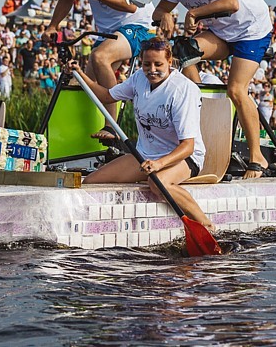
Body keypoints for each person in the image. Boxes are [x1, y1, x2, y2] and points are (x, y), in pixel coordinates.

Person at [69, 37, 213, 231]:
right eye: (147, 64)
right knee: (91, 182)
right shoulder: (138, 78)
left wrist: (159, 164)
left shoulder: (182, 90)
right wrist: (80, 74)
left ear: (170, 62)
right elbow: (105, 96)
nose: (152, 70)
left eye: (158, 64)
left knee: (157, 182)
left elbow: (188, 146)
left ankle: (205, 224)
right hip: (145, 156)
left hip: (183, 158)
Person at [153, 0, 273, 178]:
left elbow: (232, 3)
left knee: (236, 90)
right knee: (183, 51)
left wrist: (194, 13)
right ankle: (196, 101)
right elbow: (160, 11)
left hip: (251, 30)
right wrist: (165, 16)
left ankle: (257, 157)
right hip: (223, 33)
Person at [42, 0, 156, 141]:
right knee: (86, 83)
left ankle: (112, 128)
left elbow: (131, 4)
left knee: (100, 56)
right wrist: (52, 26)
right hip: (108, 31)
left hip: (139, 24)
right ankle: (80, 139)